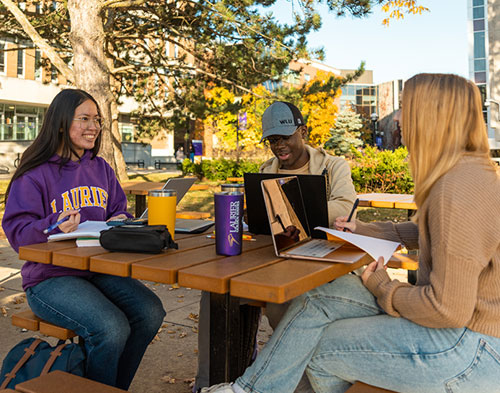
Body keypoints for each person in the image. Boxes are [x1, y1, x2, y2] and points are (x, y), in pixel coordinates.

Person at [201, 73, 500, 393]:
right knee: (318, 296)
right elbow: (431, 232)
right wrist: (369, 229)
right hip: (460, 331)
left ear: (430, 117)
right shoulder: (465, 174)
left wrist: (386, 288)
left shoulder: (458, 189)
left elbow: (447, 309)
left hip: (468, 348)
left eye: (404, 109)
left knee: (315, 348)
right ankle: (248, 390)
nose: (398, 120)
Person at [2, 89, 166, 390]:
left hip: (98, 271)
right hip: (49, 279)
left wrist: (122, 221)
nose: (94, 127)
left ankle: (111, 388)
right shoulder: (36, 173)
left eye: (98, 120)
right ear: (62, 123)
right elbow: (17, 232)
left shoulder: (101, 168)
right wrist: (54, 224)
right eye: (85, 119)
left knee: (150, 312)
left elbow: (119, 209)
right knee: (110, 328)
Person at [194, 101, 357, 392]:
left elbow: (345, 207)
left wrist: (292, 213)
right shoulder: (265, 170)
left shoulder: (333, 167)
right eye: (271, 140)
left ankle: (294, 381)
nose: (278, 146)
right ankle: (208, 382)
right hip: (271, 257)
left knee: (285, 302)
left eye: (284, 138)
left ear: (303, 131)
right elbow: (261, 222)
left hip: (320, 261)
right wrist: (251, 213)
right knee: (216, 290)